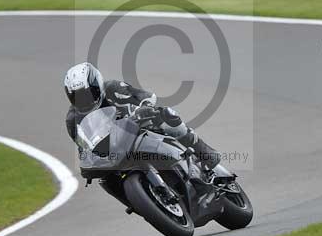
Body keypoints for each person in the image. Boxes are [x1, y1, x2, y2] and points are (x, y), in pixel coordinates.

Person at [63, 62, 221, 169]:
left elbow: (145, 96)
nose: (86, 100)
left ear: (98, 84)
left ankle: (204, 151)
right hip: (113, 148)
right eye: (79, 96)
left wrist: (144, 108)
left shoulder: (113, 87)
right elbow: (83, 145)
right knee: (102, 177)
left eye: (89, 93)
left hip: (140, 126)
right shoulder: (73, 120)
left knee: (166, 114)